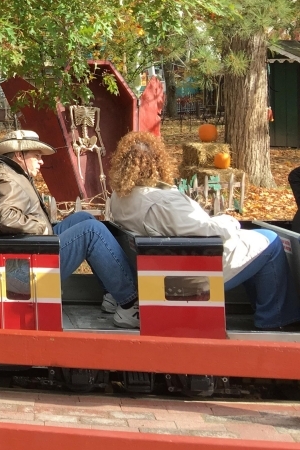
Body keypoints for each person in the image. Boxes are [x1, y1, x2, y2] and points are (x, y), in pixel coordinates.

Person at [109, 132, 300, 331]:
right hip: (195, 269)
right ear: (157, 162)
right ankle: (274, 318)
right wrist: (230, 221)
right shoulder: (164, 202)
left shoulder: (120, 197)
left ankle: (265, 311)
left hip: (169, 264)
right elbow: (208, 232)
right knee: (270, 241)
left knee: (254, 246)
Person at [0, 129, 139, 328]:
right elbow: (5, 218)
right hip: (26, 267)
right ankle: (130, 304)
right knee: (91, 231)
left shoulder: (11, 172)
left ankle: (113, 293)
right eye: (36, 156)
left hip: (29, 251)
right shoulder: (7, 179)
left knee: (84, 217)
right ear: (19, 155)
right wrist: (43, 230)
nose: (42, 162)